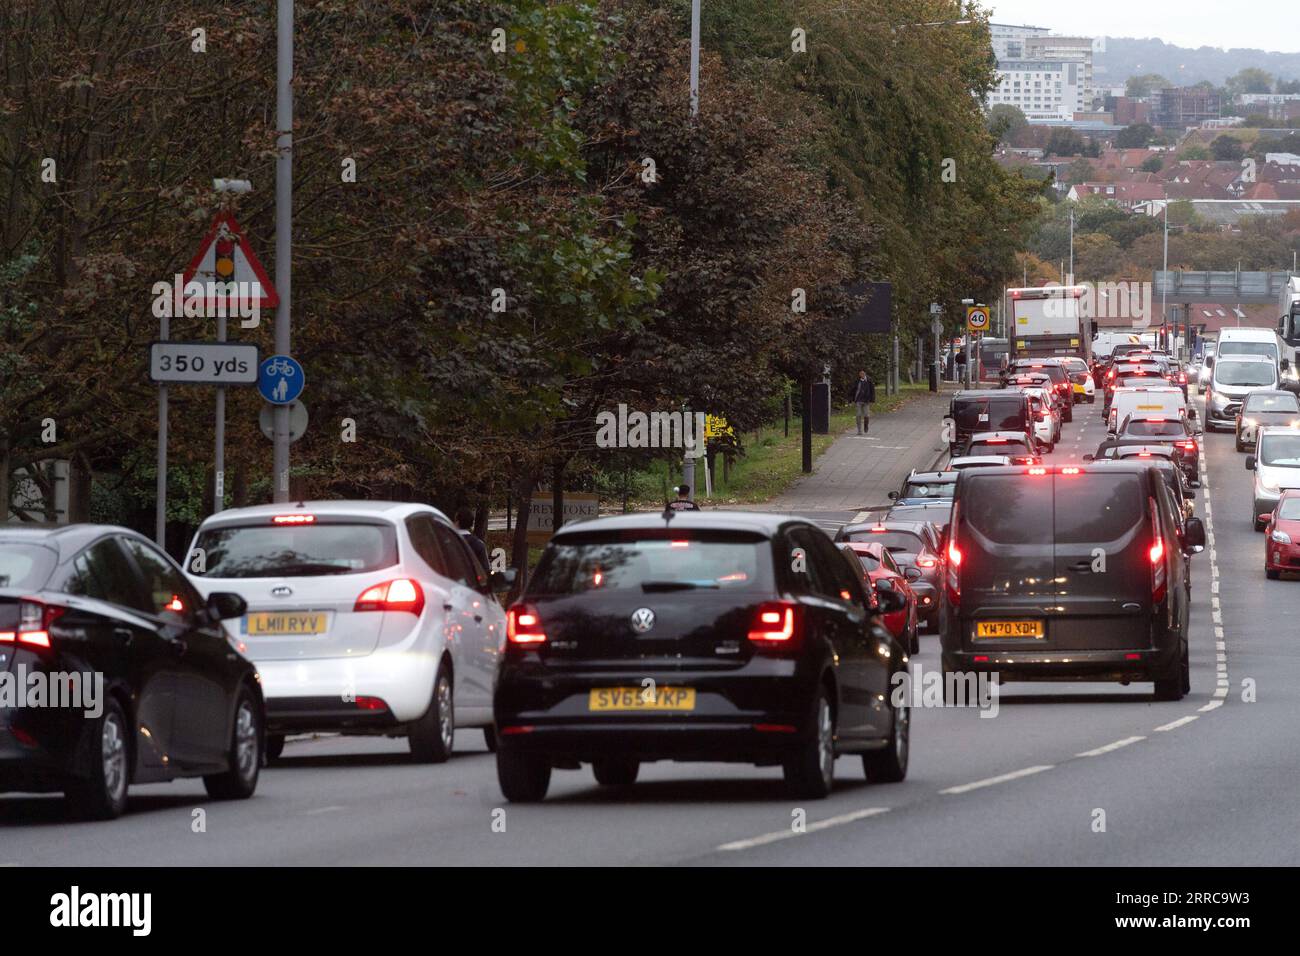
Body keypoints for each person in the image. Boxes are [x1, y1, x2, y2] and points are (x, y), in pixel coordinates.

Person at [851, 370, 875, 435]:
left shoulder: (869, 381)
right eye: (861, 373)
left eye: (863, 373)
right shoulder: (857, 381)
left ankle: (866, 425)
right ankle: (859, 430)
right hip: (858, 400)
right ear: (859, 374)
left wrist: (872, 400)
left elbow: (872, 390)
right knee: (858, 415)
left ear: (865, 373)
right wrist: (852, 400)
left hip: (866, 401)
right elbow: (853, 390)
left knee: (866, 415)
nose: (862, 374)